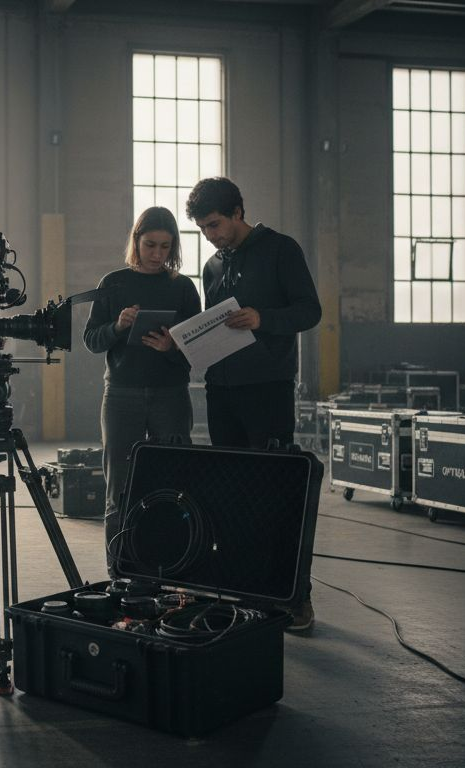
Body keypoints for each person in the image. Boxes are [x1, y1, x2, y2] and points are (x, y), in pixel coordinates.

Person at [185, 176, 322, 632]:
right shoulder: (211, 266)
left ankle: (295, 600)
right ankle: (246, 593)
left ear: (238, 211)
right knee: (232, 495)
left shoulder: (282, 250)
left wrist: (264, 318)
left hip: (268, 390)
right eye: (204, 229)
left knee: (278, 496)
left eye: (215, 224)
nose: (211, 235)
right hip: (221, 392)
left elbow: (310, 311)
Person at [83, 206, 201, 573]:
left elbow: (197, 346)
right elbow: (91, 340)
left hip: (171, 395)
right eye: (150, 245)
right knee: (119, 487)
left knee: (174, 483)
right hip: (121, 396)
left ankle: (172, 567)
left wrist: (172, 347)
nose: (157, 254)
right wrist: (118, 326)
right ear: (136, 241)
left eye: (165, 247)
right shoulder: (113, 283)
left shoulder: (182, 287)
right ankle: (119, 573)